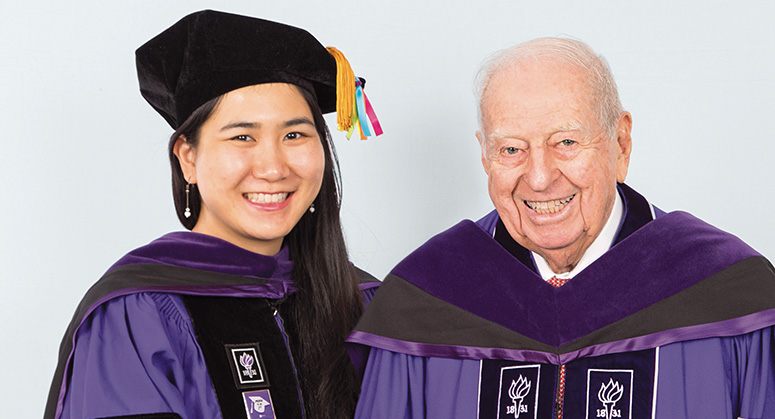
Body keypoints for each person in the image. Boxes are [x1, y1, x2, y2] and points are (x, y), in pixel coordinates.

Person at [348, 38, 775, 419]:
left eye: (566, 142)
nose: (538, 177)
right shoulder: (424, 299)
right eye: (512, 149)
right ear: (484, 156)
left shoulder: (730, 295)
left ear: (620, 144)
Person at [44, 10, 382, 419]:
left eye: (294, 135)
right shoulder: (139, 313)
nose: (273, 168)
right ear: (188, 158)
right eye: (243, 137)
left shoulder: (364, 304)